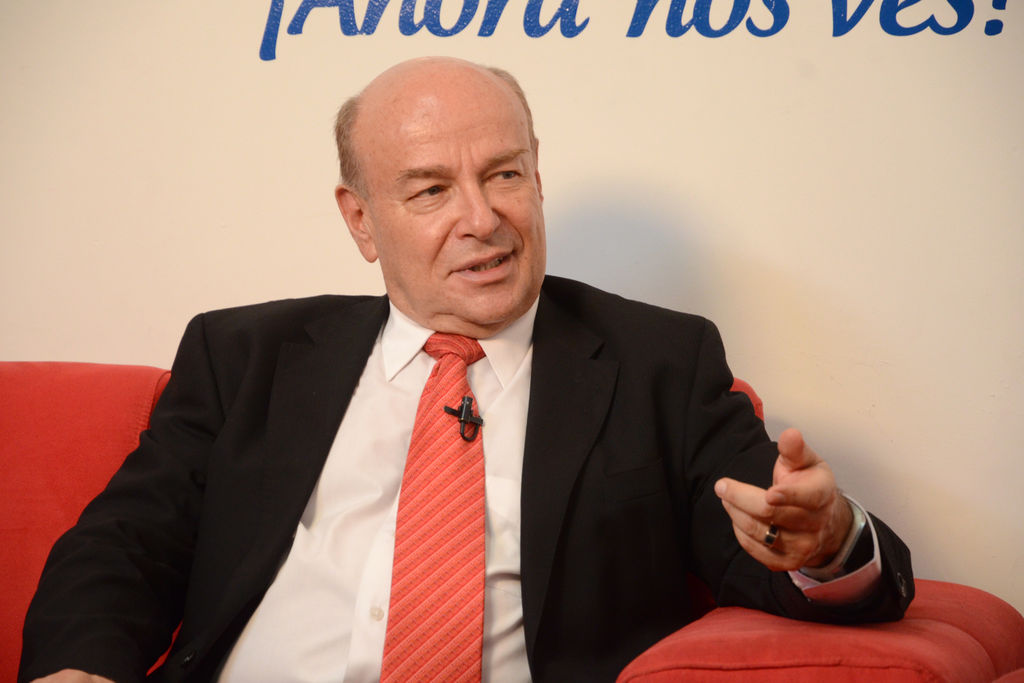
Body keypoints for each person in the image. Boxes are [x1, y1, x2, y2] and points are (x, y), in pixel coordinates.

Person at [20, 57, 913, 683]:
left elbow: (778, 545)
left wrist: (829, 540)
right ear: (361, 220)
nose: (482, 219)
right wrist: (77, 670)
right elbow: (122, 546)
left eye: (504, 174)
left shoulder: (659, 364)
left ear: (537, 176)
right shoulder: (243, 356)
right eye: (431, 190)